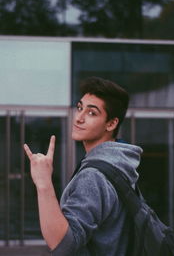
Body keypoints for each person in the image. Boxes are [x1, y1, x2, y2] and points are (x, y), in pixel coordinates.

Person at [24, 76, 143, 256]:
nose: (78, 118)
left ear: (111, 123)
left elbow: (63, 245)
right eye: (80, 108)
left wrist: (43, 183)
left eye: (91, 113)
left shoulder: (94, 176)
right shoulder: (120, 165)